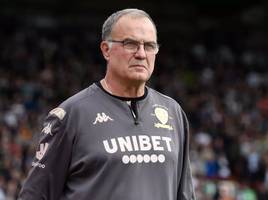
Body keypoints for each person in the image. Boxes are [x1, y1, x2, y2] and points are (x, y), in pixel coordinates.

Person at [18, 8, 196, 200]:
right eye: (131, 44)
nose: (141, 54)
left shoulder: (173, 112)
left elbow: (184, 194)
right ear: (106, 49)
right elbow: (34, 195)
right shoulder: (71, 115)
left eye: (150, 46)